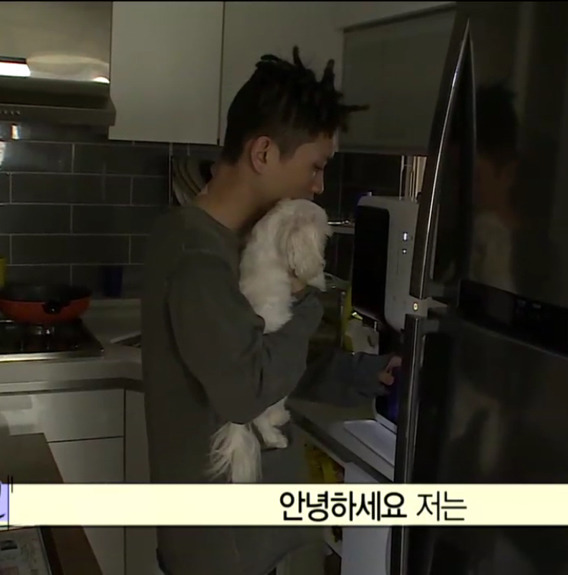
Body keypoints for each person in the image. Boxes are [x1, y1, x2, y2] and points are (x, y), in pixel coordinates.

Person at [140, 47, 399, 575]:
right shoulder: (198, 257)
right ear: (263, 153)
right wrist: (306, 299)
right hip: (219, 552)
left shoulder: (234, 243)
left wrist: (362, 375)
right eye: (315, 167)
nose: (318, 186)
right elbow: (246, 391)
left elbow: (264, 358)